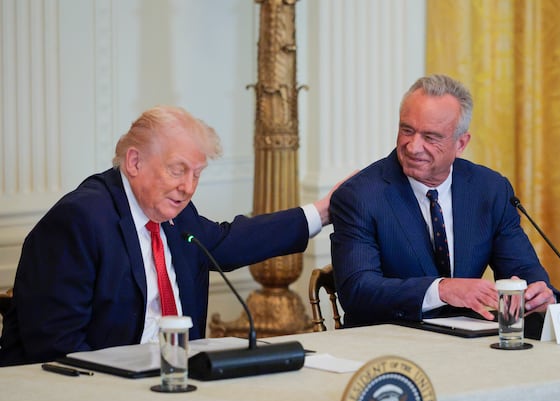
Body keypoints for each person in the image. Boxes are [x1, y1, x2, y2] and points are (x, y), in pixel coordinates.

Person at [0, 105, 340, 365]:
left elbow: (230, 242)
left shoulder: (176, 215)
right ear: (134, 162)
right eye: (178, 170)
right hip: (93, 398)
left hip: (174, 384)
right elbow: (57, 346)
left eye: (197, 174)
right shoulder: (81, 221)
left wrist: (322, 212)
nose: (188, 187)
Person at [329, 74, 560, 327]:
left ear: (461, 144)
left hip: (469, 346)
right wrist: (440, 290)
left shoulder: (490, 189)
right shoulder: (360, 196)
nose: (413, 147)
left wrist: (537, 296)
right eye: (407, 130)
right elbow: (358, 290)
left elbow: (520, 268)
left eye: (430, 137)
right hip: (390, 345)